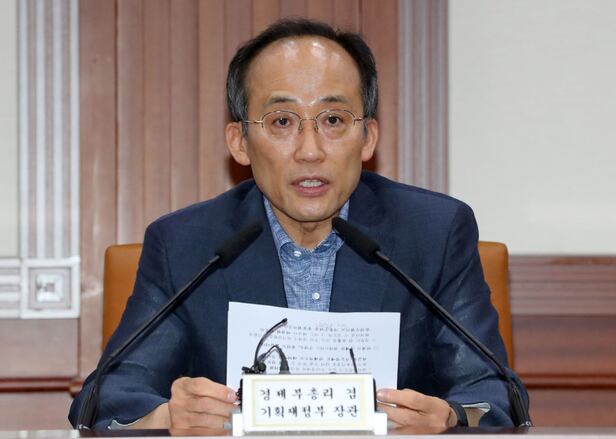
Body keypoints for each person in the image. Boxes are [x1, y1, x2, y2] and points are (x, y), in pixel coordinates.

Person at [69, 18, 527, 431]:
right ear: (240, 142)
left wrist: (450, 417)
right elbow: (105, 399)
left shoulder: (433, 233)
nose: (310, 150)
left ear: (367, 137)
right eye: (282, 121)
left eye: (333, 120)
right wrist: (167, 416)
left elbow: (494, 395)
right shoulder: (187, 245)